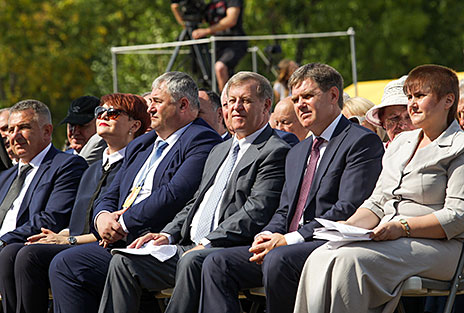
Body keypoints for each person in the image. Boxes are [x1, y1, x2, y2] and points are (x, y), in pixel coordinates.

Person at [97, 71, 290, 313]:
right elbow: (195, 203)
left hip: (228, 248)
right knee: (124, 262)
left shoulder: (274, 151)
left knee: (192, 261)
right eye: (230, 102)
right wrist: (166, 235)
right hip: (188, 246)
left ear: (266, 106)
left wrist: (208, 241)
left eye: (246, 101)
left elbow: (255, 212)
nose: (236, 108)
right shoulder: (219, 151)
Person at [199, 63, 384, 313]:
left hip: (327, 243)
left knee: (278, 259)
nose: (300, 105)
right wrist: (264, 237)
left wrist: (290, 239)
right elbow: (285, 210)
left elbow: (346, 208)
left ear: (333, 96)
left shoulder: (360, 141)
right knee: (216, 262)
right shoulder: (298, 151)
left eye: (308, 96)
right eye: (295, 99)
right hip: (287, 244)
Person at [293, 64, 464, 313]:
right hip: (390, 237)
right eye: (410, 97)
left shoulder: (462, 146)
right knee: (320, 256)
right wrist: (346, 228)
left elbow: (458, 217)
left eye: (420, 96)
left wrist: (402, 227)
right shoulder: (400, 144)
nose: (412, 104)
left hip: (442, 248)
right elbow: (377, 202)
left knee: (349, 262)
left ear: (448, 100)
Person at [47, 72, 222, 313]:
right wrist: (102, 217)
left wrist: (124, 223)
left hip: (152, 239)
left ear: (183, 105)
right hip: (119, 237)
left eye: (157, 102)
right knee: (63, 263)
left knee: (72, 263)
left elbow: (175, 194)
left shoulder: (201, 139)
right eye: (149, 102)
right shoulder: (143, 143)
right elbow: (111, 192)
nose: (149, 109)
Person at [0, 93, 150, 313]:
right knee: (14, 252)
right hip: (77, 241)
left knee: (29, 255)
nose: (103, 116)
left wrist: (68, 239)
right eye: (100, 112)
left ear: (135, 125)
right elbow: (81, 219)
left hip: (107, 247)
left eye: (113, 113)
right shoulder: (92, 170)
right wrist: (61, 235)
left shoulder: (134, 167)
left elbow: (110, 225)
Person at [0, 99, 88, 312]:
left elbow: (52, 218)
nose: (15, 135)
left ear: (47, 131)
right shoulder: (5, 177)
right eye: (11, 129)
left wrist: (2, 241)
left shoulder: (67, 166)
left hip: (26, 249)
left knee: (10, 253)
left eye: (24, 127)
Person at [171, 0, 248, 92]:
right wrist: (175, 9)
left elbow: (231, 20)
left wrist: (206, 31)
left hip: (234, 43)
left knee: (220, 67)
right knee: (213, 74)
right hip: (216, 45)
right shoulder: (211, 5)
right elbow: (187, 22)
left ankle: (224, 102)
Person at [366, 76, 416, 147]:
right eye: (394, 118)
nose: (403, 126)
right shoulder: (377, 154)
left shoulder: (433, 152)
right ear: (382, 122)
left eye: (409, 117)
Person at [61, 96, 107, 165]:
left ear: (99, 123)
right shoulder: (58, 160)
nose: (75, 132)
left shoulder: (109, 160)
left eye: (82, 125)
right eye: (72, 125)